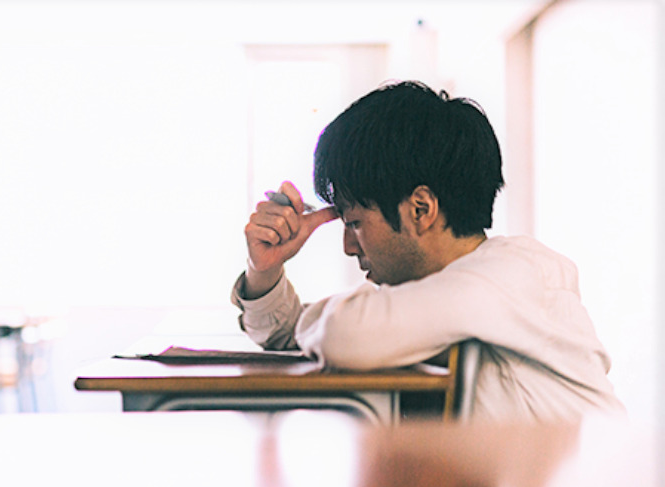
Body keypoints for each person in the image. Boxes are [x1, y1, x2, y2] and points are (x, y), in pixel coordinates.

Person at [231, 80, 624, 421]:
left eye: (354, 223)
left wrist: (323, 322)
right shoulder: (439, 293)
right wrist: (264, 268)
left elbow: (340, 336)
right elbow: (294, 337)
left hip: (595, 486)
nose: (349, 247)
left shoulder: (515, 274)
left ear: (421, 210)